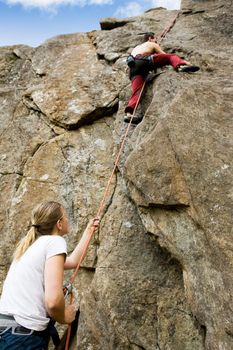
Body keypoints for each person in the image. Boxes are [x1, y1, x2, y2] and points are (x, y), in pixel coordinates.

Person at [0, 201, 99, 349]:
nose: (67, 220)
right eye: (65, 217)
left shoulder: (31, 245)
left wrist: (88, 231)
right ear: (59, 223)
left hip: (7, 330)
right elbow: (52, 302)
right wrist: (65, 317)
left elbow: (72, 261)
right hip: (23, 336)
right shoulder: (55, 242)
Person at [124, 32, 200, 124]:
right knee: (171, 56)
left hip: (133, 69)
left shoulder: (136, 48)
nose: (156, 41)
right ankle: (181, 66)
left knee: (137, 92)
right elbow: (164, 55)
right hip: (143, 61)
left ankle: (128, 114)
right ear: (150, 38)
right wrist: (184, 62)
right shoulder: (151, 44)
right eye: (155, 39)